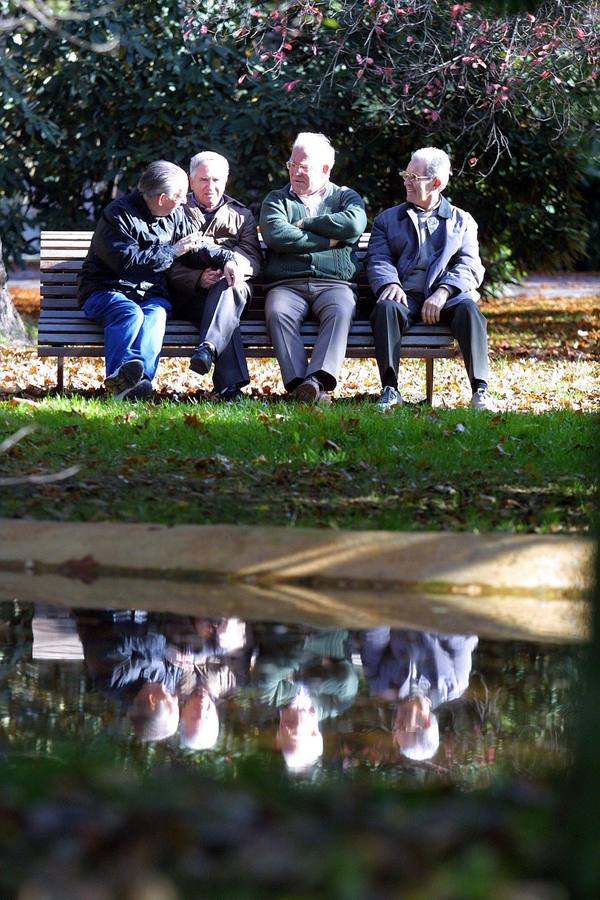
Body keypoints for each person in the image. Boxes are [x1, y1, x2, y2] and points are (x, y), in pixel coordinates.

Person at [79, 159, 238, 400]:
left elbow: (194, 246)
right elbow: (128, 265)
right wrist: (172, 252)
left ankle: (139, 381)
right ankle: (120, 381)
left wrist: (225, 258)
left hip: (150, 294)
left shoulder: (175, 214)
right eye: (181, 195)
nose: (185, 200)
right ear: (162, 198)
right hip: (105, 290)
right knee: (130, 313)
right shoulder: (117, 215)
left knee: (156, 314)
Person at [366, 147, 497, 411]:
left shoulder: (462, 221)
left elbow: (470, 265)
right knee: (386, 308)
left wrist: (445, 291)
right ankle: (390, 389)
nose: (406, 182)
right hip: (407, 295)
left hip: (446, 296)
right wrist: (390, 283)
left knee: (470, 309)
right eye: (407, 175)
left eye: (414, 178)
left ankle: (481, 391)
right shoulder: (388, 219)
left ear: (436, 183)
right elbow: (378, 259)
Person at [260, 132, 367, 404]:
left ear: (325, 169)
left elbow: (354, 224)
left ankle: (316, 380)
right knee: (277, 311)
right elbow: (277, 235)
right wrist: (330, 240)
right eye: (291, 165)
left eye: (303, 166)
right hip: (287, 284)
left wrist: (307, 224)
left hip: (335, 284)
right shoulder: (276, 199)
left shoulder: (346, 197)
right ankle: (300, 384)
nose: (295, 172)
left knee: (341, 309)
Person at [167, 151, 263, 401]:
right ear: (190, 180)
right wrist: (197, 278)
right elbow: (165, 261)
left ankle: (207, 349)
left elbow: (252, 258)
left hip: (233, 286)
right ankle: (230, 389)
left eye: (217, 180)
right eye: (204, 180)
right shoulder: (176, 210)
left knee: (230, 290)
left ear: (226, 180)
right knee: (225, 314)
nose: (211, 186)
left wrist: (227, 268)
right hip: (189, 295)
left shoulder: (242, 215)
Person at [359, 627, 478, 761]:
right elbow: (461, 638)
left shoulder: (381, 684)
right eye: (404, 726)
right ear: (426, 724)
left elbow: (373, 638)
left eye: (397, 727)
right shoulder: (455, 684)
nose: (397, 721)